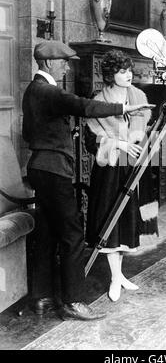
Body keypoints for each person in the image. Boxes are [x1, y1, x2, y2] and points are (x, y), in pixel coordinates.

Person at [22, 40, 154, 320]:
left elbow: (27, 133)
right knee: (72, 235)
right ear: (48, 63)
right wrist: (122, 110)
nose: (67, 66)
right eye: (64, 61)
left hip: (39, 166)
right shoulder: (48, 90)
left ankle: (42, 297)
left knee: (46, 233)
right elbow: (82, 106)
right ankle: (74, 301)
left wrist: (54, 138)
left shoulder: (32, 91)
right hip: (55, 169)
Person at [84, 50, 158, 303]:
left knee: (128, 220)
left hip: (133, 166)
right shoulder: (99, 100)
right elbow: (91, 141)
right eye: (122, 71)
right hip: (110, 170)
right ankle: (115, 277)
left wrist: (138, 141)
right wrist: (119, 144)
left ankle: (120, 274)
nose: (128, 75)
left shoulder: (139, 96)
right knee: (110, 221)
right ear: (110, 74)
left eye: (129, 71)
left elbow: (145, 127)